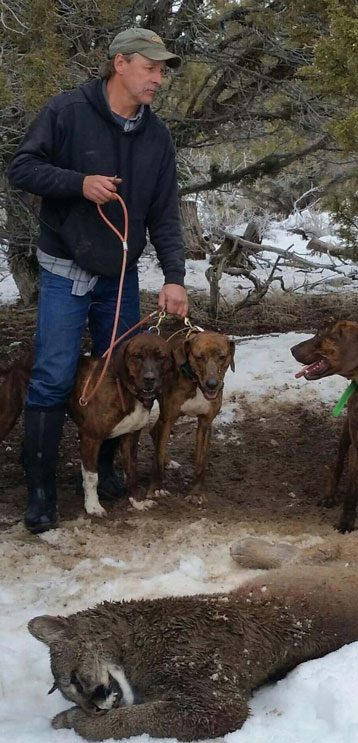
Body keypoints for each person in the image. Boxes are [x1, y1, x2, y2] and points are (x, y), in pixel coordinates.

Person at [7, 28, 189, 534]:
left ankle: (103, 471)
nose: (158, 78)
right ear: (120, 63)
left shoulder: (157, 137)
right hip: (65, 267)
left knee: (121, 375)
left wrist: (174, 276)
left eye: (161, 71)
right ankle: (41, 491)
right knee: (54, 374)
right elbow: (20, 168)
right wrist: (77, 183)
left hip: (120, 274)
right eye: (150, 68)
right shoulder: (66, 112)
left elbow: (165, 215)